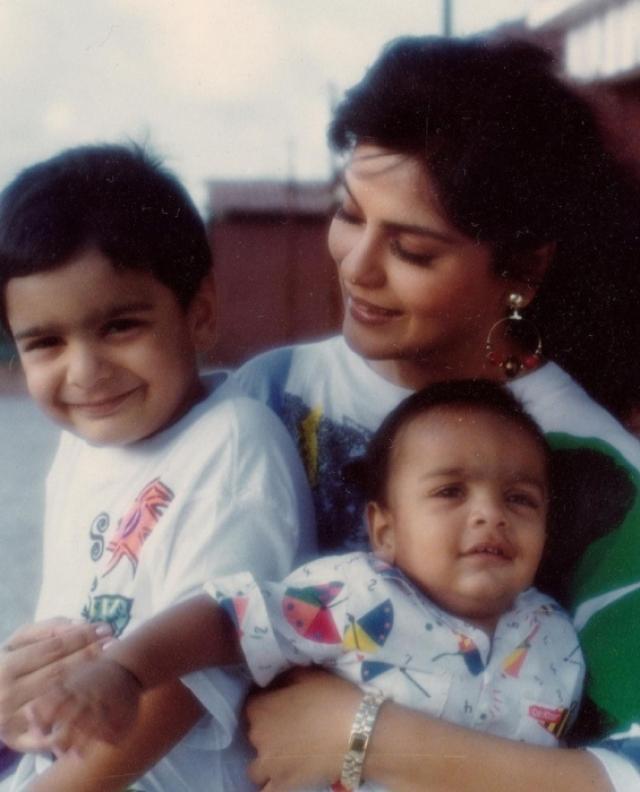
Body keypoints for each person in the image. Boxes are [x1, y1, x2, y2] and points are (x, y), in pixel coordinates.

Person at [229, 37, 640, 791]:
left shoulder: (601, 475)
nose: (356, 265)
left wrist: (362, 736)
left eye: (412, 250)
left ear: (524, 267)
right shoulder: (269, 394)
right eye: (348, 215)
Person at [25, 381, 585, 792]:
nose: (491, 515)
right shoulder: (356, 596)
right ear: (384, 531)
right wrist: (125, 670)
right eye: (450, 493)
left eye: (520, 499)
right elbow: (227, 618)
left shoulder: (556, 638)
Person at [0, 143, 314, 792]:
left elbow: (177, 691)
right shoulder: (83, 449)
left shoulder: (233, 445)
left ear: (198, 314)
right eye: (47, 343)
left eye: (119, 327)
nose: (85, 372)